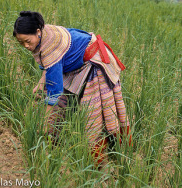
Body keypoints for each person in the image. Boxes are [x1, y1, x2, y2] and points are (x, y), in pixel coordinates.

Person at [13, 11, 131, 165]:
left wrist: (45, 121)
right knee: (62, 104)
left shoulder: (50, 46)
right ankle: (54, 142)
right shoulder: (45, 33)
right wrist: (40, 84)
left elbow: (54, 91)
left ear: (38, 32)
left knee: (94, 115)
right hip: (79, 63)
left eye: (27, 41)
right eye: (21, 43)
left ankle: (102, 159)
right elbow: (48, 66)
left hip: (95, 64)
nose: (26, 46)